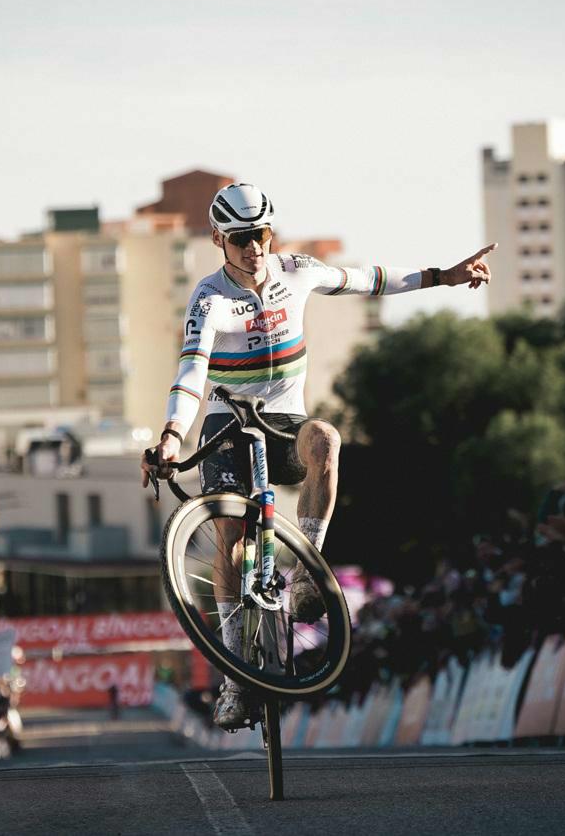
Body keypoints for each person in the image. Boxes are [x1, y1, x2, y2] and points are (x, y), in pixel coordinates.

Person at [141, 182, 496, 730]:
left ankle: (308, 573)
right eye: (240, 239)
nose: (254, 248)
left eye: (261, 235)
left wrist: (443, 276)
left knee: (326, 439)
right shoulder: (209, 300)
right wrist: (170, 436)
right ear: (218, 239)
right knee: (232, 538)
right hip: (227, 423)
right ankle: (236, 678)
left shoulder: (297, 271)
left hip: (284, 421)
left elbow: (369, 279)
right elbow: (190, 371)